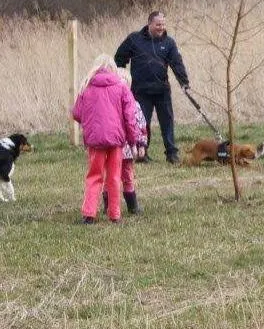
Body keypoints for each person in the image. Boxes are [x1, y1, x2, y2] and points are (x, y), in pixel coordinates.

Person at [72, 54, 142, 224]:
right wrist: (133, 141)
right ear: (113, 68)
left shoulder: (86, 86)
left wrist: (91, 123)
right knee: (114, 177)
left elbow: (77, 113)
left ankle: (89, 214)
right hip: (116, 140)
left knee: (94, 176)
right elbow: (130, 117)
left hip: (95, 141)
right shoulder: (121, 86)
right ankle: (114, 215)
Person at [115, 11, 190, 164]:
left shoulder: (169, 43)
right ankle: (142, 153)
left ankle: (171, 153)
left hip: (162, 90)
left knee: (167, 122)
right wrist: (122, 78)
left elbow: (177, 63)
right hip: (140, 91)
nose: (161, 27)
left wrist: (184, 83)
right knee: (142, 123)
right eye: (158, 24)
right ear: (149, 24)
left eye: (163, 24)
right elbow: (119, 57)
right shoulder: (134, 39)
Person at [107, 68, 148, 215]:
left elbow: (141, 125)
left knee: (128, 176)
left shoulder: (135, 105)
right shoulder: (110, 105)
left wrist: (141, 144)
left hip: (129, 150)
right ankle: (108, 204)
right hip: (113, 148)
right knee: (110, 177)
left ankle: (132, 205)